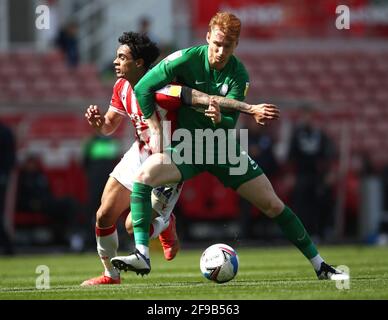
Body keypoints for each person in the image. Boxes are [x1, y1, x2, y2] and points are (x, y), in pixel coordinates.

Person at [111, 12, 349, 281]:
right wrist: (155, 128)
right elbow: (143, 86)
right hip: (187, 148)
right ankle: (142, 255)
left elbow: (229, 124)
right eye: (217, 44)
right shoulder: (186, 58)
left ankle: (321, 266)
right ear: (208, 37)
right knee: (143, 177)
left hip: (222, 149)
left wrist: (218, 119)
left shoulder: (238, 74)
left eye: (228, 46)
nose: (221, 51)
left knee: (273, 205)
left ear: (236, 45)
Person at [81, 31, 269, 286]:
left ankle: (165, 223)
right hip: (139, 152)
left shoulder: (165, 88)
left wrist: (247, 109)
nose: (115, 62)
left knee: (130, 226)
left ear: (139, 63)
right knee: (103, 215)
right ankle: (111, 276)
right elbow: (108, 126)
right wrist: (98, 123)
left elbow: (202, 98)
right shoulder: (121, 88)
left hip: (168, 158)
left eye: (121, 57)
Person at [288, 104, 336, 241]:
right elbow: (291, 156)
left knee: (318, 204)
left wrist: (329, 173)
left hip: (317, 176)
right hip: (301, 175)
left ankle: (319, 232)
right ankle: (302, 235)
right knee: (301, 206)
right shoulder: (296, 134)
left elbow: (327, 155)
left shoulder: (320, 135)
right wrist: (290, 174)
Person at [0, 121, 16, 255]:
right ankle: (7, 245)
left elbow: (10, 156)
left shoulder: (4, 132)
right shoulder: (6, 131)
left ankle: (7, 245)